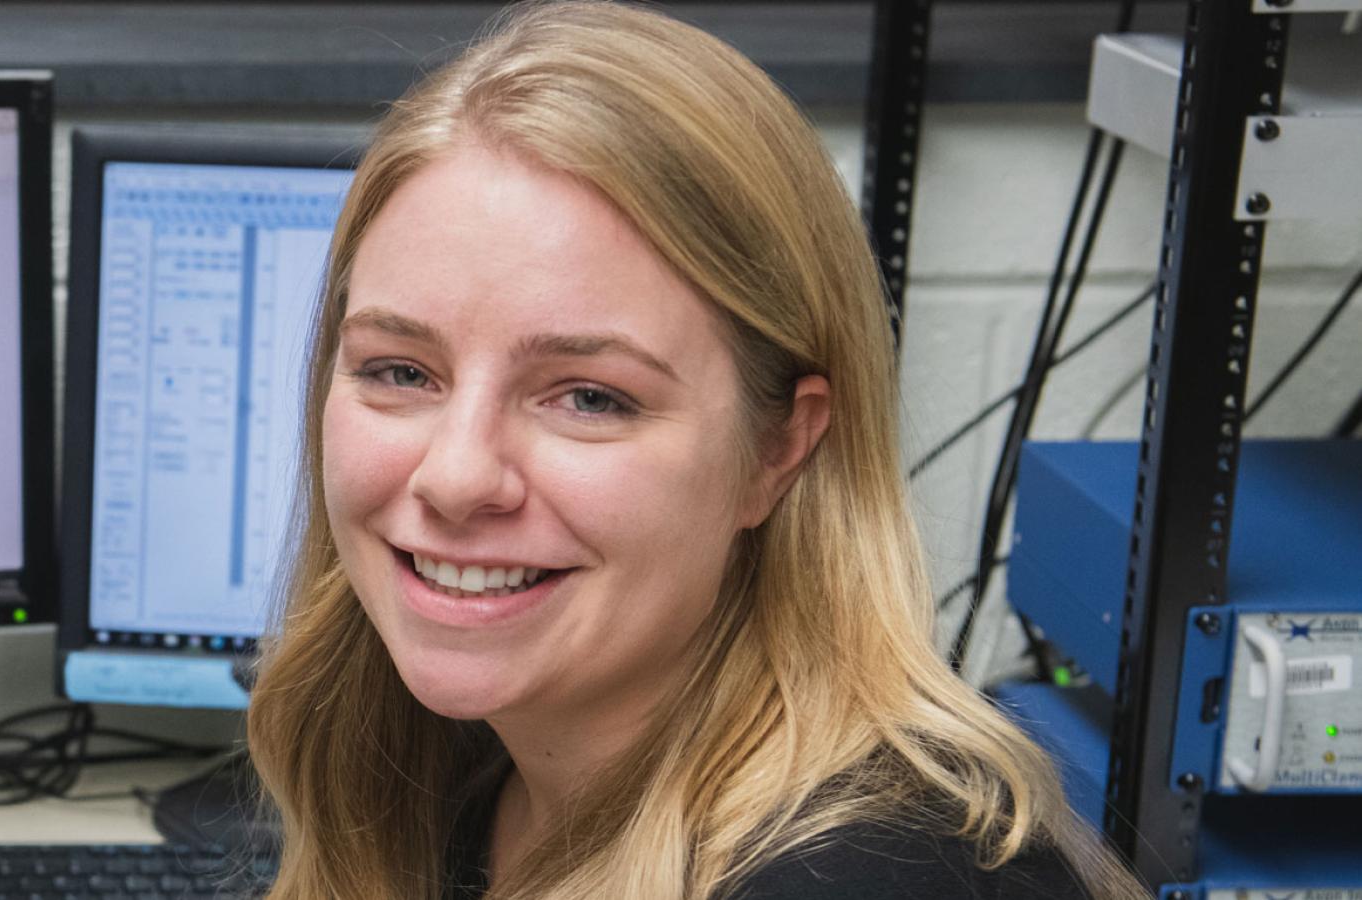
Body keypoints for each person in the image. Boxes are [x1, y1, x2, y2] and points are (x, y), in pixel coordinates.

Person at [241, 3, 1148, 898]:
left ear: (778, 448)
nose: (455, 476)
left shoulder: (869, 875)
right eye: (400, 371)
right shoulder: (473, 768)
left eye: (590, 397)